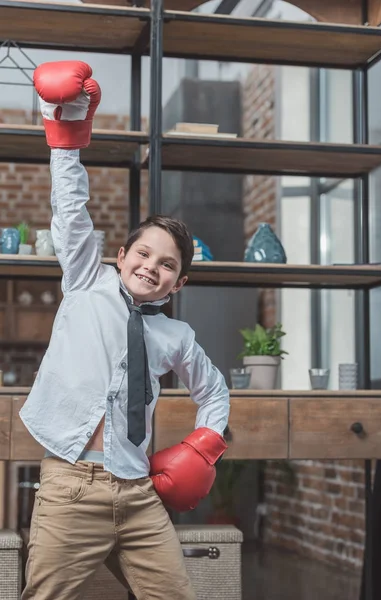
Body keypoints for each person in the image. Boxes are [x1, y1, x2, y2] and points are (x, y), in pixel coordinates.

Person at [20, 60, 230, 600]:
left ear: (177, 283)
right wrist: (65, 137)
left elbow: (213, 390)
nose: (150, 267)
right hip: (71, 487)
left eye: (166, 265)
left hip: (139, 494)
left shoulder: (176, 338)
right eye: (143, 253)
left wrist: (204, 445)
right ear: (120, 256)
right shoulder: (86, 282)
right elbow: (71, 211)